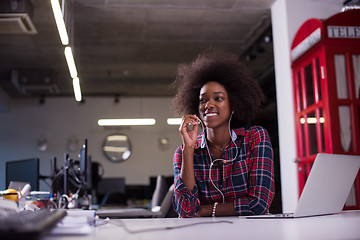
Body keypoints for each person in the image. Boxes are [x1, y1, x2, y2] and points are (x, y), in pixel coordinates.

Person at [171, 50, 275, 218]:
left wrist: (205, 210)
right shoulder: (182, 153)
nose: (208, 105)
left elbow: (259, 204)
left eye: (218, 98)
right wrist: (189, 150)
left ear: (234, 104)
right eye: (203, 100)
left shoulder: (255, 138)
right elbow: (185, 210)